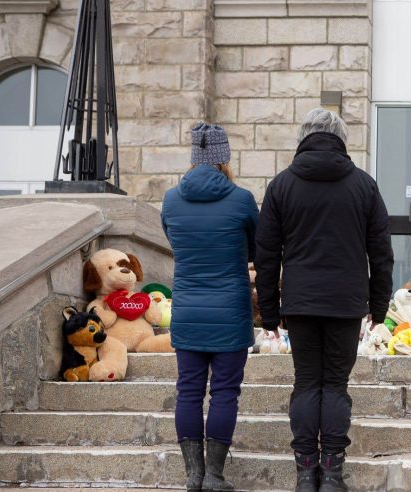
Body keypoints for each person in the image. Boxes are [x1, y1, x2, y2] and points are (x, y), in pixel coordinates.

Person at [255, 108, 394, 492]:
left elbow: (266, 255)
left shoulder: (282, 185)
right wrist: (379, 307)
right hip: (347, 302)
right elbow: (380, 253)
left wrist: (269, 313)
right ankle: (331, 472)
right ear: (342, 138)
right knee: (334, 384)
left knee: (306, 383)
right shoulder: (364, 185)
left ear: (303, 136)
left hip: (299, 302)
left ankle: (305, 473)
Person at [161, 123, 259, 492]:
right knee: (224, 391)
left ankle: (193, 476)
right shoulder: (242, 199)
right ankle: (215, 476)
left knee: (188, 389)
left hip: (187, 308)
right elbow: (255, 247)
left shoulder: (171, 199)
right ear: (225, 157)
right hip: (229, 310)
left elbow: (173, 239)